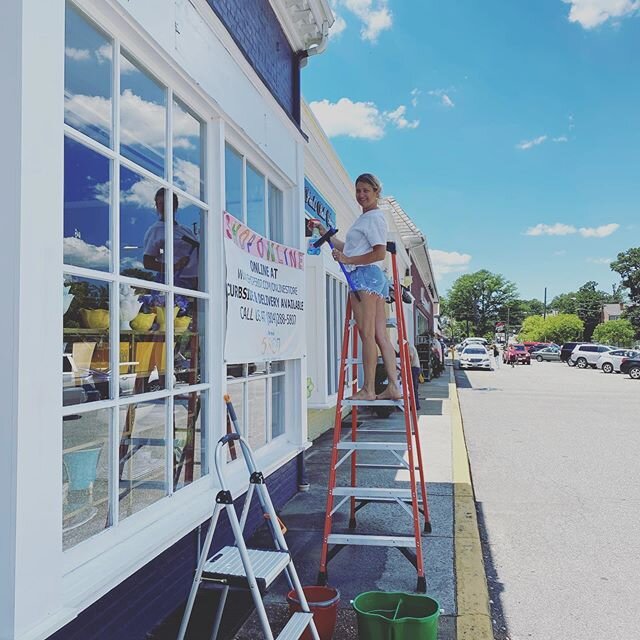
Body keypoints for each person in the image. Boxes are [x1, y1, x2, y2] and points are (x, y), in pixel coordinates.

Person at [318, 173, 400, 401]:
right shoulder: (365, 219)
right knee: (380, 335)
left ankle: (369, 389)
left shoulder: (373, 218)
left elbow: (379, 252)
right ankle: (393, 386)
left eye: (366, 190)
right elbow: (351, 250)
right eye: (358, 190)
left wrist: (347, 261)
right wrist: (326, 234)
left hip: (364, 278)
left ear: (376, 192)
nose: (361, 195)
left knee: (367, 335)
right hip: (373, 279)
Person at [143, 188, 200, 290]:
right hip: (173, 281)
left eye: (168, 202)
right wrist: (175, 267)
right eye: (161, 203)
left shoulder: (186, 230)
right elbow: (148, 262)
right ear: (156, 206)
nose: (165, 206)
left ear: (176, 205)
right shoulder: (156, 230)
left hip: (195, 281)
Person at [409, 342, 422, 410]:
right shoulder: (411, 346)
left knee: (413, 388)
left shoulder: (409, 347)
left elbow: (410, 357)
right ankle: (414, 405)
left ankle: (415, 405)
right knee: (414, 388)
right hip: (415, 368)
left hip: (414, 368)